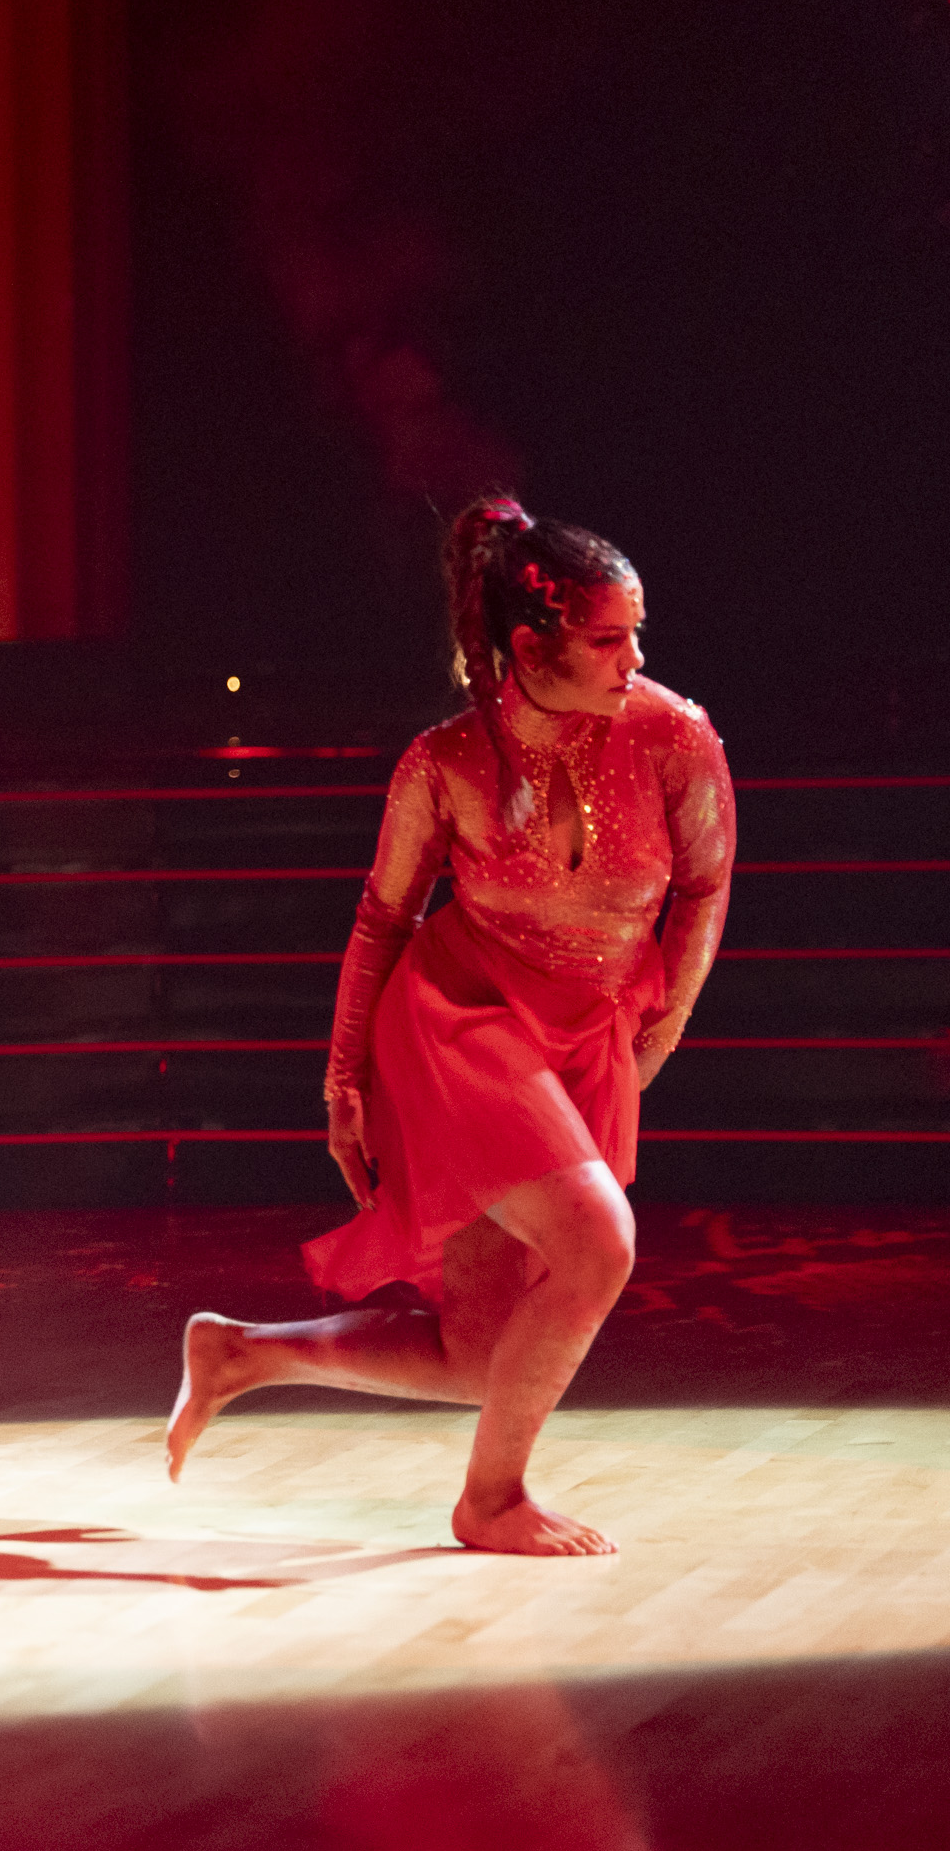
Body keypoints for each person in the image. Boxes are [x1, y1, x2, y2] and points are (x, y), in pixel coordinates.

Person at [164, 495, 735, 1557]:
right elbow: (382, 919)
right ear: (532, 644)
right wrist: (342, 1083)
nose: (634, 658)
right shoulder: (445, 763)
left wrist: (659, 1036)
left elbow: (704, 887)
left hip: (587, 1034)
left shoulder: (675, 737)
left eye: (637, 634)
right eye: (609, 638)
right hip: (462, 1027)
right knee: (599, 1242)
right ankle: (493, 1498)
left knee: (484, 1350)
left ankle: (240, 1354)